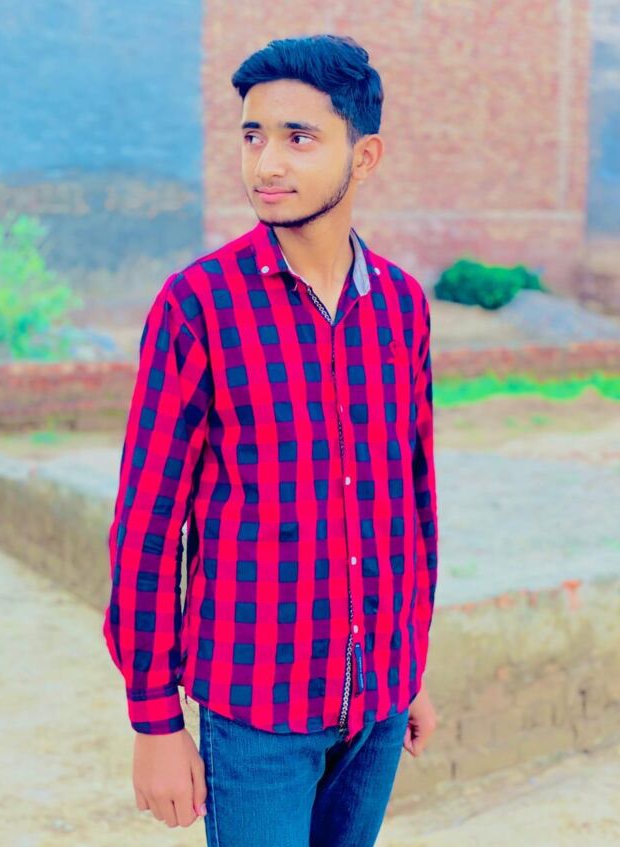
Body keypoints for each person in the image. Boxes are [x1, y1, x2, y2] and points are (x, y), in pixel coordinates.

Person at [102, 32, 439, 847]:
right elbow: (148, 524)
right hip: (257, 709)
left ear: (364, 156)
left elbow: (413, 500)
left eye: (299, 138)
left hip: (379, 699)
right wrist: (154, 718)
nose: (267, 164)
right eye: (253, 136)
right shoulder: (198, 305)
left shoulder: (401, 305)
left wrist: (411, 665)